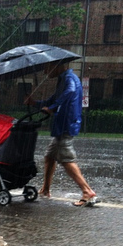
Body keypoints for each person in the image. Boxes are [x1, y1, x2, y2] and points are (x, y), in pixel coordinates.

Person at [25, 61, 98, 207]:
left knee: (66, 159)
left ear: (56, 66)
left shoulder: (69, 80)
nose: (46, 72)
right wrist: (35, 103)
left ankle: (87, 191)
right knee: (50, 156)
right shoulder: (63, 80)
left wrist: (52, 108)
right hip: (62, 125)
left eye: (47, 68)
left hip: (66, 124)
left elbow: (69, 93)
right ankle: (45, 189)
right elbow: (52, 100)